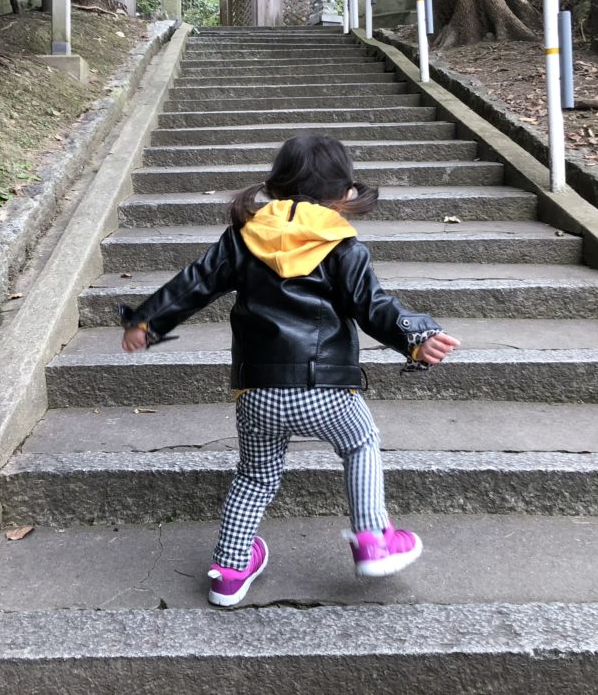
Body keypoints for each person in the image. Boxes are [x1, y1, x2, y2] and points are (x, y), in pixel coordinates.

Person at [119, 135, 460, 607]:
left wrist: (146, 321)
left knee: (256, 475)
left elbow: (194, 282)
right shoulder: (342, 246)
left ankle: (230, 570)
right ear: (344, 193)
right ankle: (374, 538)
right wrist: (416, 336)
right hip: (327, 388)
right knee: (359, 444)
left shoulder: (245, 236)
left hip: (257, 391)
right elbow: (372, 306)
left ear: (276, 185)